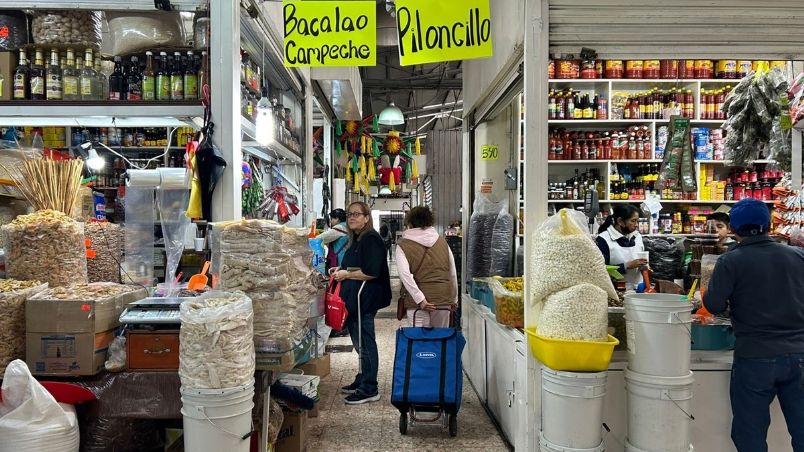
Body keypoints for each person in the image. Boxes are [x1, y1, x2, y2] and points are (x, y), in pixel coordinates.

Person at [704, 198, 804, 451]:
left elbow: (714, 305)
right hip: (799, 355)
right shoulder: (797, 255)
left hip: (755, 356)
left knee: (750, 434)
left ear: (734, 228)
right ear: (769, 225)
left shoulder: (730, 261)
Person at [331, 201, 391, 405]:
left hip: (364, 300)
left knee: (366, 343)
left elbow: (372, 271)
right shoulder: (357, 239)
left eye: (357, 214)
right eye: (349, 214)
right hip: (354, 301)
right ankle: (362, 377)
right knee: (359, 343)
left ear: (367, 218)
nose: (352, 217)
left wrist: (346, 273)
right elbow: (355, 264)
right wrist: (340, 269)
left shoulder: (371, 239)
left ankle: (370, 387)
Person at [396, 206, 459, 328]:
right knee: (441, 341)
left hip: (417, 303)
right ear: (430, 221)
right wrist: (454, 299)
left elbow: (405, 276)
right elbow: (452, 273)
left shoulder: (403, 245)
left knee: (419, 342)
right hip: (443, 298)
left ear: (410, 223)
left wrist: (420, 299)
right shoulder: (443, 242)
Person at [595, 204, 648, 288]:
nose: (636, 224)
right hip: (615, 290)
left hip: (638, 289)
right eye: (633, 221)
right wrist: (626, 266)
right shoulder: (603, 239)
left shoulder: (637, 236)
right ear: (620, 221)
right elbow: (600, 270)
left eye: (637, 221)